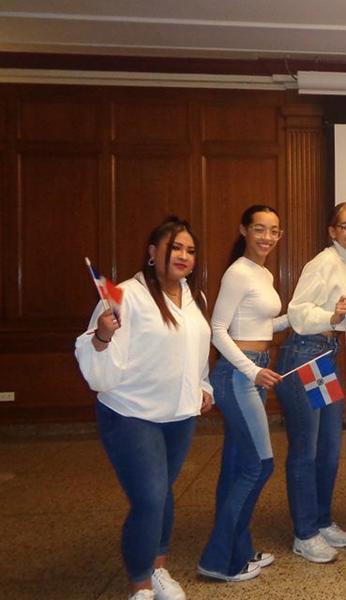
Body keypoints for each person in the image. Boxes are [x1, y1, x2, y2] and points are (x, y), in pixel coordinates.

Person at [75, 216, 212, 600]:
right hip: (130, 414)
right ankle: (140, 586)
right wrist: (102, 335)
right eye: (175, 247)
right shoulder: (123, 296)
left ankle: (158, 569)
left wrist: (202, 385)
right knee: (150, 497)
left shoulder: (194, 297)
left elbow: (196, 349)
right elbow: (94, 361)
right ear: (153, 253)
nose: (184, 255)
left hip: (179, 415)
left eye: (190, 249)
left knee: (164, 492)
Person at [198, 205, 289, 582]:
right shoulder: (237, 272)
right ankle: (219, 559)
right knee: (259, 465)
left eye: (274, 231)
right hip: (239, 375)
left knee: (237, 466)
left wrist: (309, 316)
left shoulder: (263, 273)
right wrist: (252, 369)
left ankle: (238, 548)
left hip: (251, 369)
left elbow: (265, 324)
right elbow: (217, 329)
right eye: (259, 229)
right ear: (244, 230)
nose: (267, 237)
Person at [275, 202, 346, 563]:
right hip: (305, 357)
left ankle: (322, 519)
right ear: (332, 231)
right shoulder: (324, 263)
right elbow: (299, 311)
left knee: (329, 449)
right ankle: (305, 533)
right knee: (306, 451)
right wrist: (331, 315)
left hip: (323, 358)